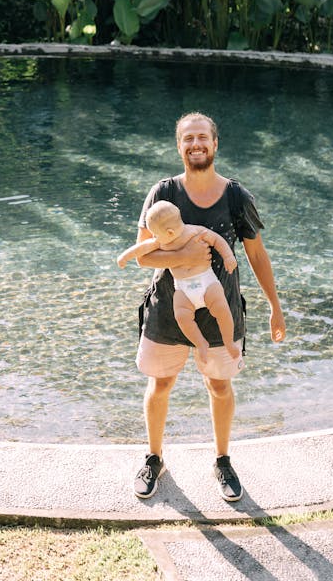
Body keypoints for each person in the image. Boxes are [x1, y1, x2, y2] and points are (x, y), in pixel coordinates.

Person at [129, 112, 285, 503]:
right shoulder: (162, 194)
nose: (196, 144)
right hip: (168, 309)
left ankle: (222, 460)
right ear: (179, 146)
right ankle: (154, 458)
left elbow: (257, 254)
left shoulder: (236, 196)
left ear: (215, 144)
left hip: (220, 311)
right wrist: (183, 252)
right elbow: (143, 257)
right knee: (161, 384)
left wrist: (275, 307)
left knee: (219, 385)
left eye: (203, 138)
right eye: (188, 139)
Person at [117, 200, 241, 361]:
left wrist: (228, 256)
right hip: (183, 288)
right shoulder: (161, 241)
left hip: (207, 282)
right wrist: (125, 256)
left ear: (169, 232)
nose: (154, 237)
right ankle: (200, 343)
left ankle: (228, 342)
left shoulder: (195, 232)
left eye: (155, 233)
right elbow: (142, 248)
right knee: (182, 316)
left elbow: (217, 240)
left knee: (222, 310)